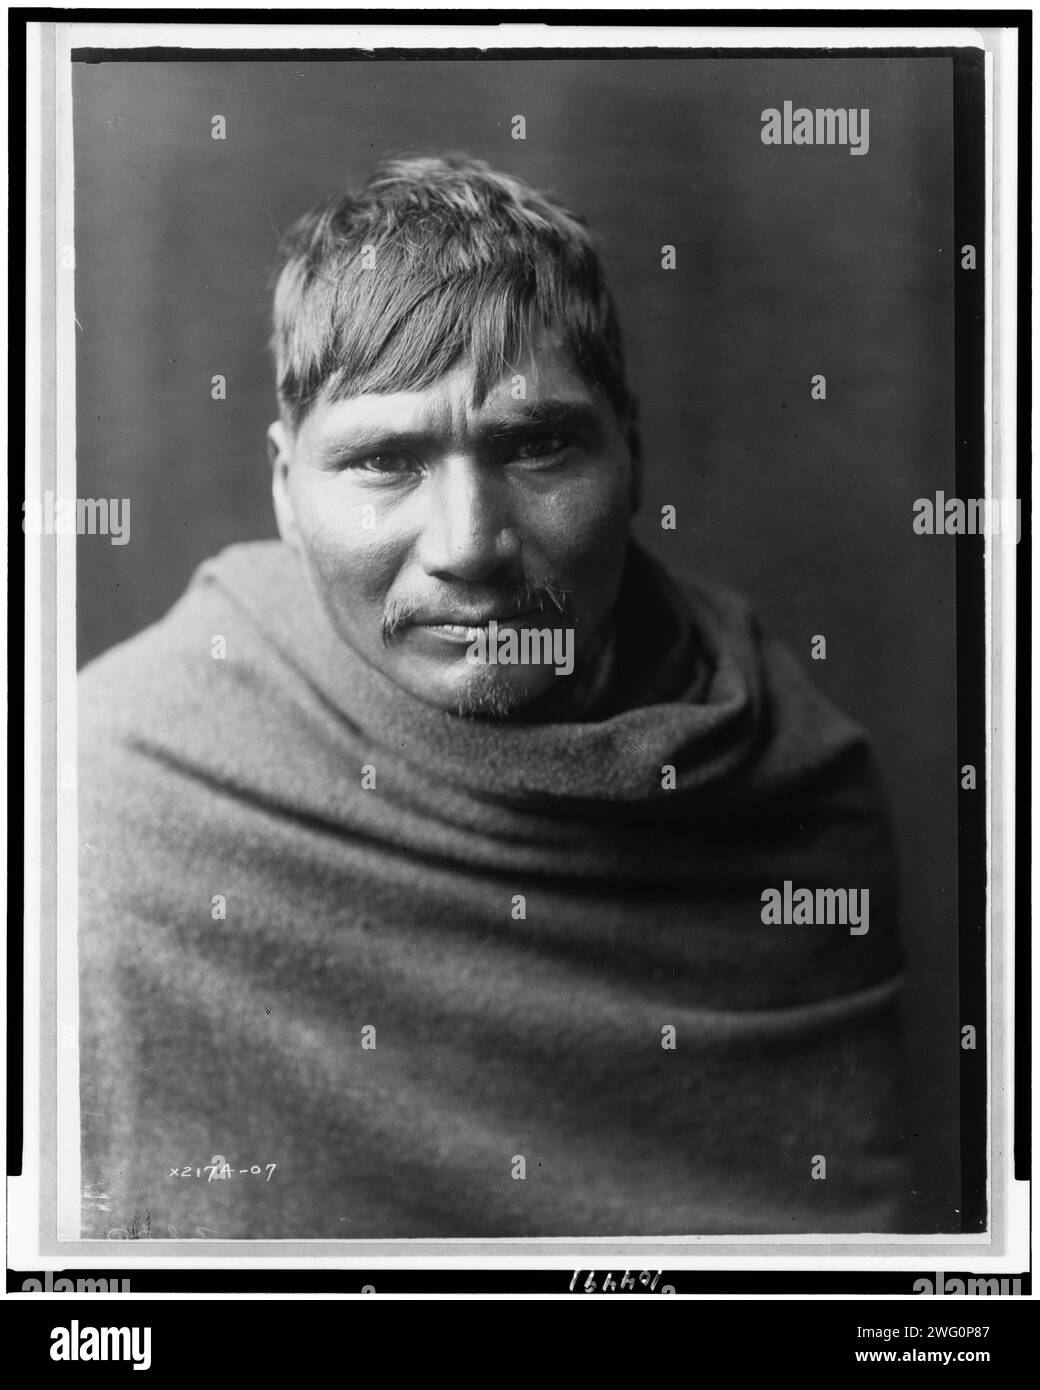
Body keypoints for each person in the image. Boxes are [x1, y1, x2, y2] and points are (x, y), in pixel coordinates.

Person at [78, 154, 906, 1239]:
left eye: (538, 445)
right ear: (285, 488)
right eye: (383, 460)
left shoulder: (795, 786)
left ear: (632, 456)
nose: (469, 546)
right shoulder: (104, 803)